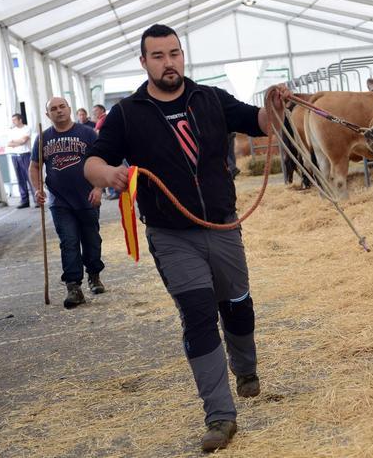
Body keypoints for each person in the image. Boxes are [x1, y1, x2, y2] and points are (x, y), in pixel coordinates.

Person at [84, 23, 288, 453]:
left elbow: (261, 123)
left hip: (223, 223)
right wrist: (110, 175)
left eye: (174, 53)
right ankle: (219, 416)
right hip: (171, 233)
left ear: (182, 56)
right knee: (197, 313)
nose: (168, 62)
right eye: (157, 56)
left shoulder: (209, 98)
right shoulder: (127, 113)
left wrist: (276, 104)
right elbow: (93, 161)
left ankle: (246, 367)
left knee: (236, 302)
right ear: (144, 63)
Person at [30, 98, 106, 309]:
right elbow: (34, 167)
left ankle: (94, 274)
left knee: (91, 240)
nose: (59, 111)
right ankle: (73, 287)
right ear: (48, 115)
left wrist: (99, 188)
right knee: (69, 241)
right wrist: (37, 189)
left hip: (88, 198)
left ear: (69, 109)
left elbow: (103, 160)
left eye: (62, 107)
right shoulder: (43, 138)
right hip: (59, 201)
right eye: (53, 109)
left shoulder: (88, 134)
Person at [7, 114, 34, 208]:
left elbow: (24, 141)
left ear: (20, 120)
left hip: (25, 155)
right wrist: (18, 142)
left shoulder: (27, 128)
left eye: (15, 120)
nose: (13, 122)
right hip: (15, 156)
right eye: (12, 120)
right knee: (20, 179)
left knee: (30, 177)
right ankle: (24, 201)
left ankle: (37, 200)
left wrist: (16, 142)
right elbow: (9, 143)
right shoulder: (11, 131)